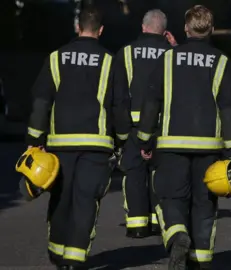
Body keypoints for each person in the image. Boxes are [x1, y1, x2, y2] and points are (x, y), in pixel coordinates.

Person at [25, 7, 131, 269]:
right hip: (97, 146)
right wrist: (123, 140)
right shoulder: (110, 61)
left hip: (61, 146)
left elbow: (41, 102)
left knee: (61, 197)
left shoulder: (55, 58)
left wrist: (34, 138)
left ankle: (58, 253)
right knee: (86, 200)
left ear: (77, 26)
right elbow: (119, 106)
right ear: (101, 30)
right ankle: (75, 257)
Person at [136, 5, 231, 270]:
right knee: (204, 204)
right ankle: (201, 260)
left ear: (185, 28)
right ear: (211, 29)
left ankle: (177, 234)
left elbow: (152, 103)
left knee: (170, 197)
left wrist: (145, 140)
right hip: (209, 147)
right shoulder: (222, 62)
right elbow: (229, 109)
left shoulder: (168, 59)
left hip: (171, 146)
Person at [114, 9, 176, 239]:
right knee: (159, 172)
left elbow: (118, 97)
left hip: (133, 126)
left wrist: (120, 131)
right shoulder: (172, 54)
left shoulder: (126, 53)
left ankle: (137, 224)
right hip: (164, 126)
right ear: (164, 31)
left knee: (133, 172)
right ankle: (158, 220)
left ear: (143, 27)